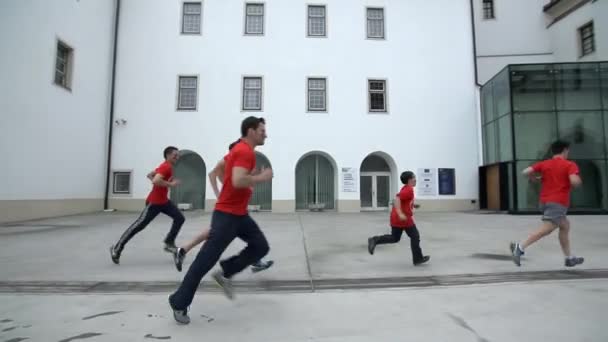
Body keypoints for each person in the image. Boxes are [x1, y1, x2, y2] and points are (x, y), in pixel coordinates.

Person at [168, 116, 272, 324]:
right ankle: (179, 302)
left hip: (239, 215)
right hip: (227, 217)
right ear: (251, 131)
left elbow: (234, 176)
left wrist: (249, 176)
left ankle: (225, 272)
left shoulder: (241, 151)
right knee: (204, 262)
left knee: (260, 246)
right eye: (262, 131)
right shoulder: (244, 151)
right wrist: (262, 177)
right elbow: (237, 180)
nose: (265, 134)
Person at [169, 141, 274, 273]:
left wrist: (254, 175)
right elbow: (213, 174)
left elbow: (237, 179)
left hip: (235, 208)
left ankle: (183, 250)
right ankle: (253, 260)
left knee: (216, 232)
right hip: (230, 209)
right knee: (242, 234)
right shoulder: (227, 160)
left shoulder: (234, 164)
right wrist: (218, 193)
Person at [511, 140, 584, 267]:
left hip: (544, 201)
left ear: (553, 151)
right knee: (547, 228)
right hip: (558, 202)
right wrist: (578, 181)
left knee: (565, 226)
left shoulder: (545, 164)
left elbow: (525, 172)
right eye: (568, 151)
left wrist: (534, 178)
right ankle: (520, 247)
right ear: (565, 150)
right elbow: (574, 181)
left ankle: (569, 258)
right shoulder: (569, 165)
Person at [109, 146, 185, 264]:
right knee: (138, 226)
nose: (177, 157)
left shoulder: (164, 166)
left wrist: (161, 183)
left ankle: (169, 242)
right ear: (168, 155)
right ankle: (117, 247)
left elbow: (150, 175)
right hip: (154, 203)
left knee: (180, 218)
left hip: (164, 202)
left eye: (178, 154)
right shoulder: (166, 166)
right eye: (175, 154)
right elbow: (155, 180)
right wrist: (171, 184)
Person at [367, 171, 430, 266]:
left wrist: (413, 205)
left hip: (397, 218)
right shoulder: (408, 189)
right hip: (403, 219)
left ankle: (375, 240)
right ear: (409, 180)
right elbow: (397, 200)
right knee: (415, 236)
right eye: (414, 177)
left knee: (395, 238)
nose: (415, 179)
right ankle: (417, 258)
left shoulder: (406, 188)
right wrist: (400, 213)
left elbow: (403, 200)